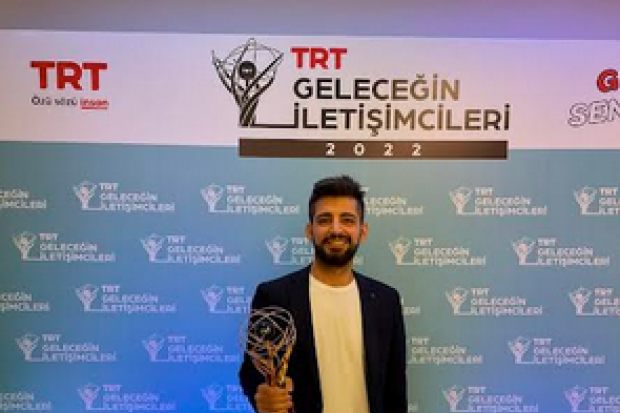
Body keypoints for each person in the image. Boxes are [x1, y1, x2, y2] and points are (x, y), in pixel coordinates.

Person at [239, 175, 407, 413]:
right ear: (310, 231)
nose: (336, 229)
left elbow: (395, 389)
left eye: (347, 220)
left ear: (362, 231)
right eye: (325, 220)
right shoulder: (274, 295)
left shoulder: (386, 301)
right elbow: (252, 371)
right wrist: (262, 395)